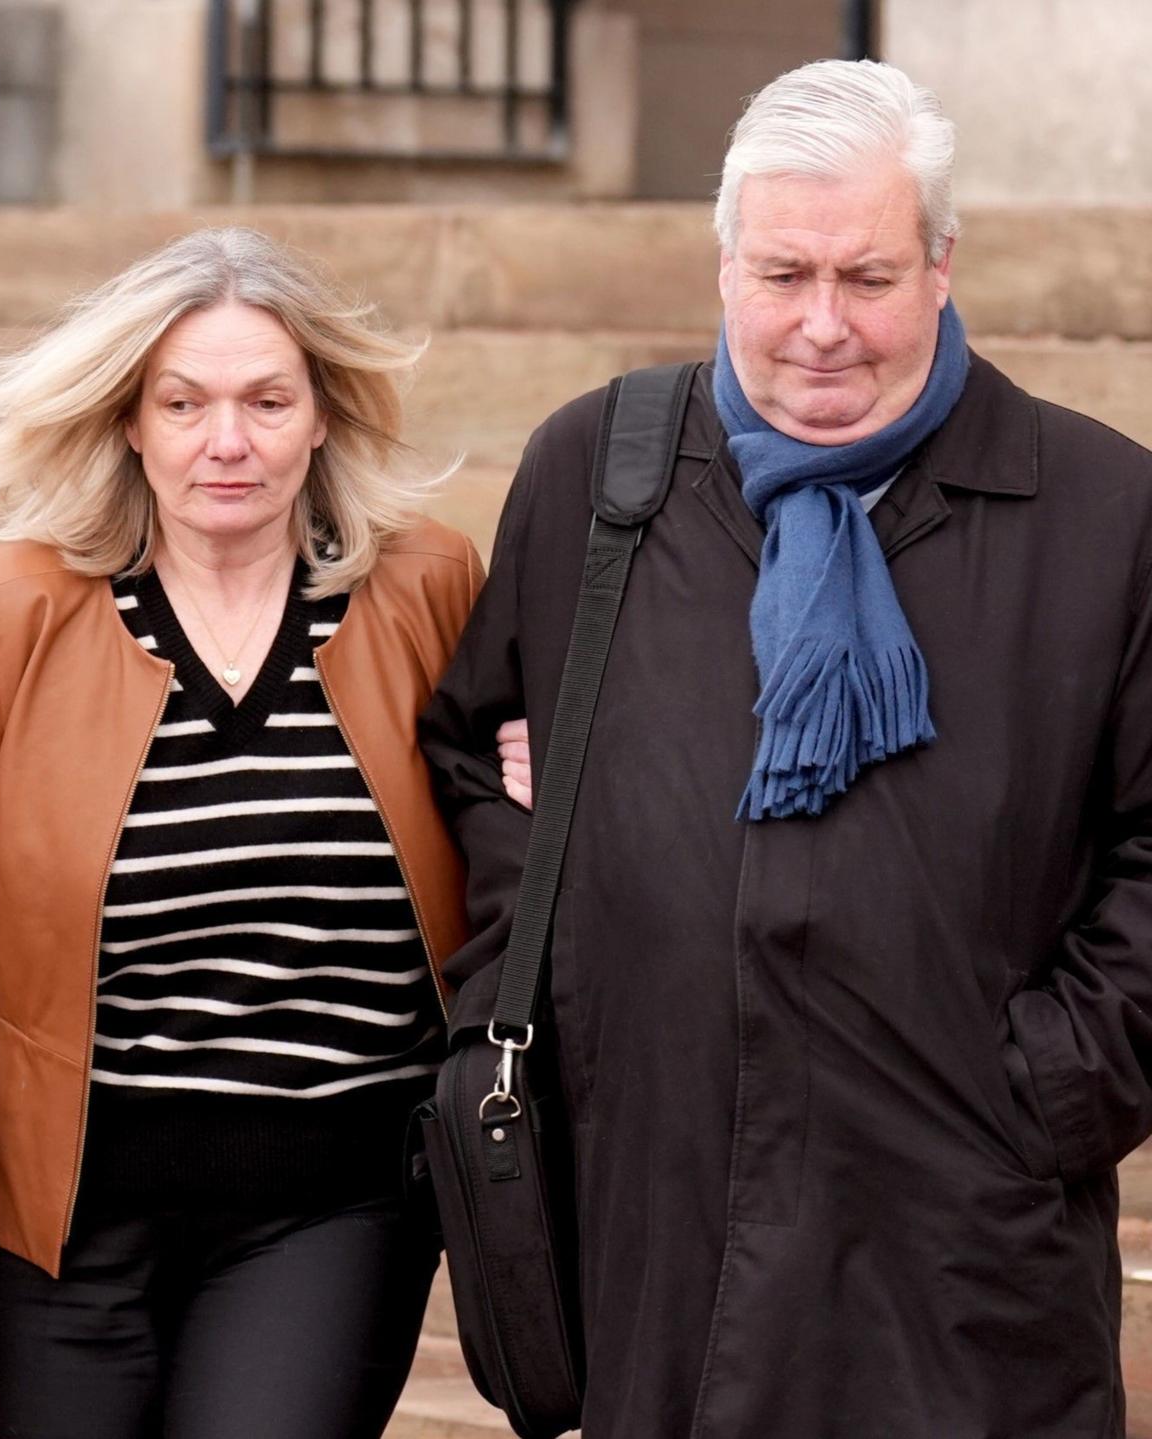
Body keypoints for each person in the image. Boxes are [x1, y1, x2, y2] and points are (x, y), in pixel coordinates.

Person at [421, 59, 1152, 1436]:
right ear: (723, 267)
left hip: (962, 1242)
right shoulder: (595, 472)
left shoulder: (1107, 511)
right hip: (662, 1222)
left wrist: (1050, 1087)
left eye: (867, 278)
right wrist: (585, 1002)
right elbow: (477, 757)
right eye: (783, 274)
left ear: (942, 267)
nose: (822, 326)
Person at [0, 227, 482, 1437]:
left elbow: (509, 854)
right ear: (129, 422)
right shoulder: (11, 611)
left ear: (322, 416)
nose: (224, 441)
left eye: (265, 400)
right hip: (58, 1216)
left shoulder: (426, 592)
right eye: (181, 403)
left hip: (332, 1203)